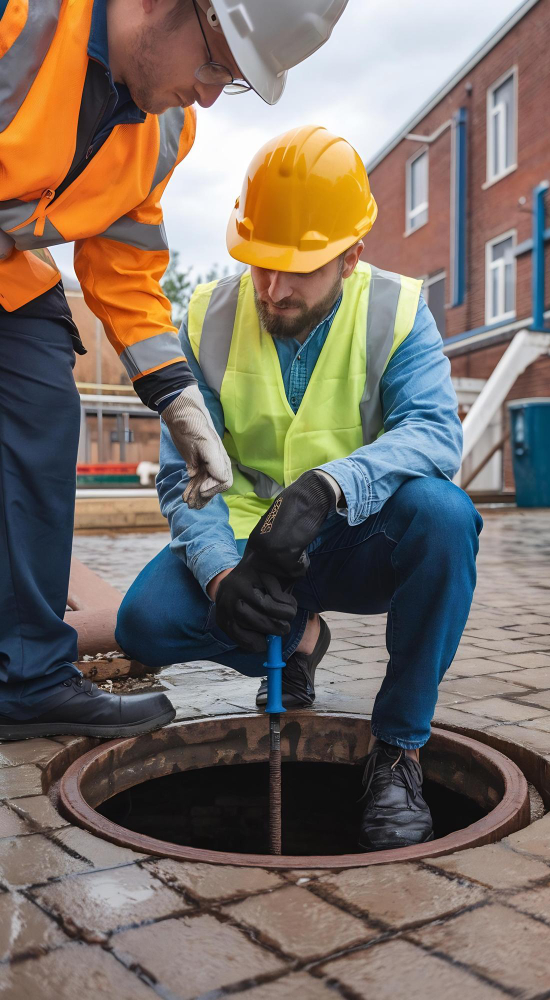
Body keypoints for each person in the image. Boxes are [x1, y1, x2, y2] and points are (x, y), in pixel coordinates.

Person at [117, 125, 483, 851]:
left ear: (350, 257)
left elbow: (435, 436)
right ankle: (301, 640)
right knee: (144, 623)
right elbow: (177, 474)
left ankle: (398, 750)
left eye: (298, 269)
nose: (272, 289)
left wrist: (328, 487)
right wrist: (223, 577)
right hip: (251, 541)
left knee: (445, 517)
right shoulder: (206, 319)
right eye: (258, 265)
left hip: (356, 536)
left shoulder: (397, 312)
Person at [0, 1, 350, 741]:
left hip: (11, 272)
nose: (211, 92)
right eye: (216, 63)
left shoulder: (166, 130)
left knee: (42, 410)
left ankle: (27, 678)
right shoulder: (21, 18)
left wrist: (176, 400)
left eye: (233, 80)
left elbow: (124, 260)